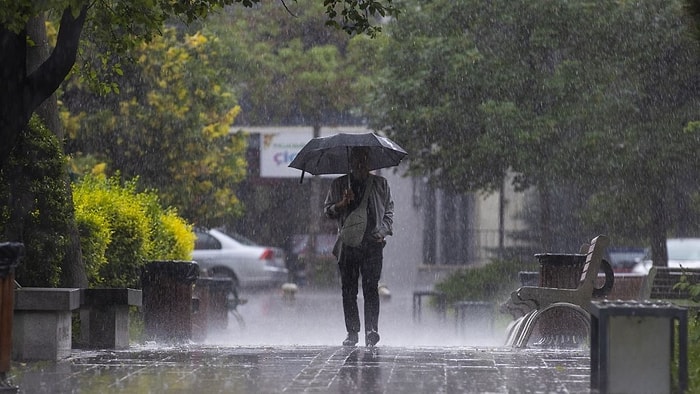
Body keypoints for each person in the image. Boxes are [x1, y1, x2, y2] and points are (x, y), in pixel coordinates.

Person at [323, 146, 394, 347]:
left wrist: (382, 232)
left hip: (373, 244)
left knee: (371, 288)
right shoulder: (339, 184)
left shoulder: (381, 184)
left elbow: (389, 210)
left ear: (369, 161)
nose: (361, 163)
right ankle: (352, 332)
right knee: (348, 290)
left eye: (364, 158)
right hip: (348, 246)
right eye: (356, 159)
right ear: (351, 162)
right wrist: (342, 203)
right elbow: (328, 211)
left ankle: (372, 330)